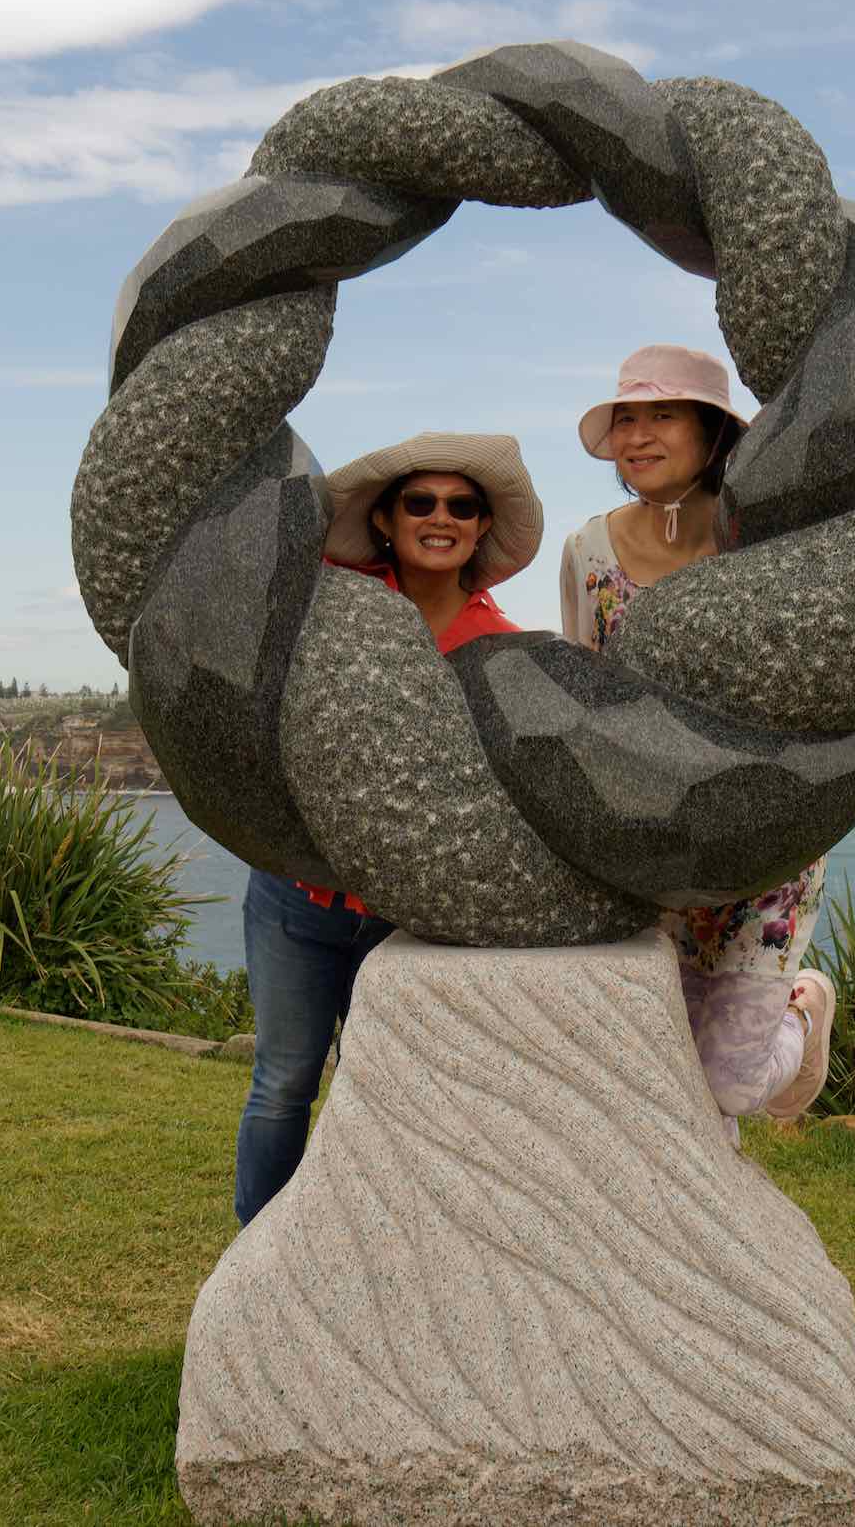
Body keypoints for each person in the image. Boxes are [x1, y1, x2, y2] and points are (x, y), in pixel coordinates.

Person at [232, 432, 541, 1226]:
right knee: (284, 1082)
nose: (441, 518)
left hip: (407, 920)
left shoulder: (502, 650)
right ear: (386, 520)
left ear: (479, 528)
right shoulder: (329, 608)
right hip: (295, 902)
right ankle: (256, 1261)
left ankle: (357, 1257)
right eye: (421, 502)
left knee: (385, 1093)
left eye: (462, 506)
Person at [557, 344, 836, 1135]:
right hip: (649, 846)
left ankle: (807, 1009)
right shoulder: (589, 552)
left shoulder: (762, 544)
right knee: (661, 1061)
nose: (638, 437)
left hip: (764, 841)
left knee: (731, 1082)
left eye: (663, 415)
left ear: (714, 434)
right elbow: (585, 694)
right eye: (625, 420)